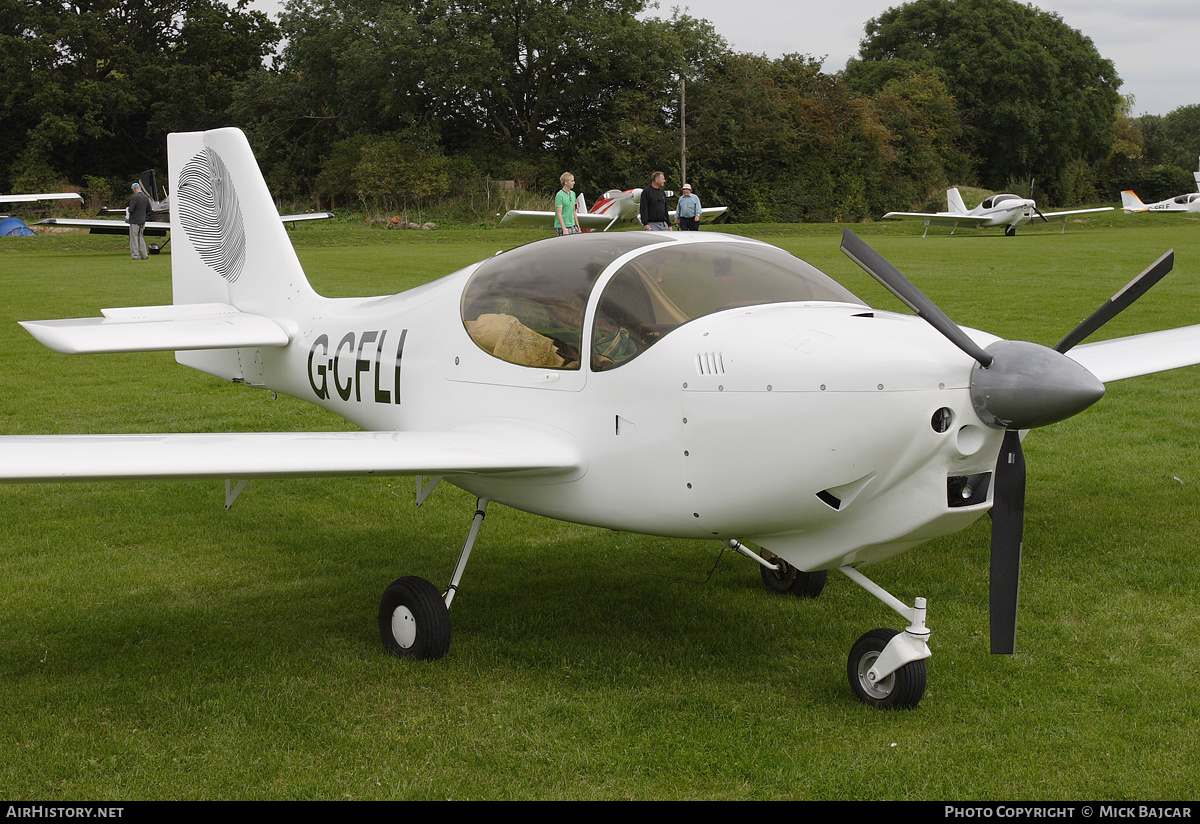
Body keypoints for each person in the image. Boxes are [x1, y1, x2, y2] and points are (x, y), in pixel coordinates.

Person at [127, 182, 151, 260]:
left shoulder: (135, 197)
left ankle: (135, 256)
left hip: (134, 220)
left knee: (134, 238)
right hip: (142, 220)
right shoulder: (146, 197)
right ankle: (144, 255)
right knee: (141, 237)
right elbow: (149, 209)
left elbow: (131, 210)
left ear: (134, 189)